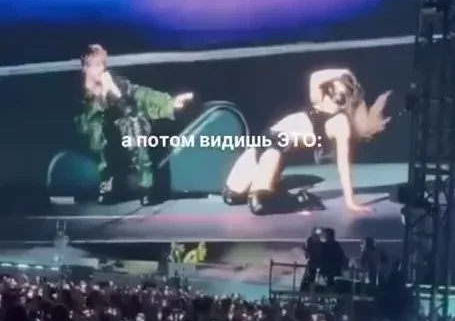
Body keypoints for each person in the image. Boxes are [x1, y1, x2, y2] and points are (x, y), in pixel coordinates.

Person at [222, 68, 391, 215]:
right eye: (335, 81)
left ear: (347, 95)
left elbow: (343, 165)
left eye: (342, 83)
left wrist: (350, 202)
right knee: (231, 196)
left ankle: (298, 200)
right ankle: (279, 190)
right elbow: (315, 77)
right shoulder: (319, 102)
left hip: (275, 149)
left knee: (259, 203)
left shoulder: (340, 122)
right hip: (262, 143)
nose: (336, 81)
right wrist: (341, 71)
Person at [75, 44, 193, 206]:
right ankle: (108, 184)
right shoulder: (80, 94)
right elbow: (86, 123)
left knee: (134, 122)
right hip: (94, 138)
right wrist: (102, 100)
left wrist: (170, 103)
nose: (102, 69)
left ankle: (146, 186)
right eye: (96, 65)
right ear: (85, 68)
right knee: (99, 128)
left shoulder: (115, 84)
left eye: (103, 64)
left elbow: (141, 94)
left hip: (120, 136)